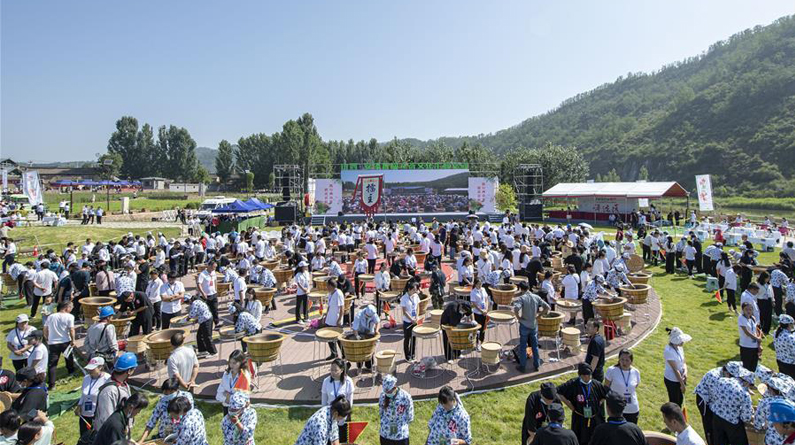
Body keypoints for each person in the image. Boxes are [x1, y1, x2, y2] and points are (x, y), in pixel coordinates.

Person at [556, 363, 610, 445]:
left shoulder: (596, 384)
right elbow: (558, 391)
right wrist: (571, 406)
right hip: (580, 419)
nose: (587, 378)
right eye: (584, 375)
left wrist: (599, 402)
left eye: (589, 375)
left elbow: (605, 394)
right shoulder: (573, 384)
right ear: (580, 375)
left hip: (594, 419)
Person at [141, 377, 195, 442]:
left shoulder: (186, 397)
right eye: (165, 394)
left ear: (177, 389)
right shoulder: (162, 401)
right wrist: (141, 441)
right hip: (164, 436)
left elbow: (189, 418)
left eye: (170, 393)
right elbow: (152, 422)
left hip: (181, 436)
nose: (167, 395)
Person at [512, 281, 550, 373]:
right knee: (535, 346)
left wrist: (519, 318)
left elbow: (516, 308)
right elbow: (547, 307)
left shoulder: (522, 298)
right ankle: (536, 365)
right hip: (533, 325)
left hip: (524, 325)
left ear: (521, 289)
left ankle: (522, 366)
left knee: (523, 346)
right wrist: (539, 316)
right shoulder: (536, 297)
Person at [93, 352, 136, 431]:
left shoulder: (124, 385)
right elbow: (107, 419)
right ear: (129, 371)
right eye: (134, 369)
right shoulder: (109, 391)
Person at [709, 372, 753, 445]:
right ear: (746, 382)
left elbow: (713, 396)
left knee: (719, 441)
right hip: (732, 421)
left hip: (717, 416)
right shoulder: (744, 394)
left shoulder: (721, 381)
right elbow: (746, 417)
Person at [320, 359, 354, 443]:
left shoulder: (348, 381)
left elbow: (350, 402)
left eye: (335, 370)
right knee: (330, 441)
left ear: (342, 370)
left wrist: (345, 415)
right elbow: (324, 402)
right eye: (331, 370)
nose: (332, 372)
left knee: (343, 440)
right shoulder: (326, 381)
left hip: (343, 416)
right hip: (330, 416)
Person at [604, 349, 641, 424]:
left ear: (631, 361)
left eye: (627, 360)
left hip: (632, 408)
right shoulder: (612, 370)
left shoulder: (636, 372)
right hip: (616, 409)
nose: (624, 362)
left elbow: (635, 386)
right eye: (622, 359)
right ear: (618, 359)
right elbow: (606, 387)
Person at [76, 357, 110, 437]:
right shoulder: (86, 378)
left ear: (100, 367)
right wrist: (79, 405)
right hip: (84, 415)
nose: (90, 370)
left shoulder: (107, 379)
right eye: (89, 368)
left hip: (97, 415)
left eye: (93, 369)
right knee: (84, 437)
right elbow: (84, 394)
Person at [378, 374, 414, 445]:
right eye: (386, 392)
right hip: (386, 434)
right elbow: (381, 412)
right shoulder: (382, 396)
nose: (387, 393)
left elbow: (410, 416)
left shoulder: (406, 397)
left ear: (394, 387)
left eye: (389, 391)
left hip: (401, 436)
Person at [216, 350, 251, 415]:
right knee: (226, 424)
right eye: (230, 362)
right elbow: (219, 393)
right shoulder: (226, 373)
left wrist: (228, 396)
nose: (231, 365)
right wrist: (227, 399)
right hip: (226, 406)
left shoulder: (244, 376)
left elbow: (242, 397)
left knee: (238, 424)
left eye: (234, 363)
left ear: (241, 362)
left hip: (239, 409)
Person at [663, 327, 690, 406]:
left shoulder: (679, 348)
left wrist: (685, 372)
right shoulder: (668, 351)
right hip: (672, 380)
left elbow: (684, 362)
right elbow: (675, 370)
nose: (683, 341)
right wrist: (682, 385)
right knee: (674, 403)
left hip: (681, 378)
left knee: (680, 401)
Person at [738, 301, 763, 372]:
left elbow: (756, 331)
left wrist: (759, 345)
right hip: (746, 345)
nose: (748, 311)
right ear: (743, 310)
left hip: (754, 346)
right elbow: (747, 332)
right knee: (746, 367)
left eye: (750, 309)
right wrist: (757, 339)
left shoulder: (753, 318)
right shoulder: (741, 318)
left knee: (753, 366)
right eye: (746, 309)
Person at [400, 282, 420, 362]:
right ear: (409, 289)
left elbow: (418, 307)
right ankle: (407, 356)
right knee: (407, 338)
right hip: (408, 321)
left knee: (414, 338)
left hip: (415, 320)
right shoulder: (404, 298)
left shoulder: (416, 296)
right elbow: (404, 312)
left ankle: (413, 354)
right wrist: (411, 319)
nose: (415, 291)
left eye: (416, 290)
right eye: (413, 290)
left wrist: (417, 317)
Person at [196, 260, 220, 327]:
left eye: (215, 267)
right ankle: (206, 325)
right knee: (206, 311)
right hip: (206, 295)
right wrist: (203, 293)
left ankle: (217, 323)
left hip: (213, 294)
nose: (214, 269)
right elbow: (199, 284)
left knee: (215, 309)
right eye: (213, 267)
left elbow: (215, 280)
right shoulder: (202, 274)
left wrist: (216, 290)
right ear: (209, 266)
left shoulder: (213, 272)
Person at [469, 278, 490, 351]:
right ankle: (477, 343)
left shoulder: (483, 289)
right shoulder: (473, 292)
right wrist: (481, 311)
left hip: (484, 312)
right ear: (475, 284)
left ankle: (482, 342)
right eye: (478, 284)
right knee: (478, 329)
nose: (480, 285)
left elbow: (486, 299)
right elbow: (474, 304)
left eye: (481, 284)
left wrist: (486, 309)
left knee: (483, 328)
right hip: (477, 313)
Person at [776, 314, 795, 379]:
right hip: (790, 364)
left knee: (784, 380)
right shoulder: (790, 337)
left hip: (780, 360)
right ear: (789, 325)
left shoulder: (776, 332)